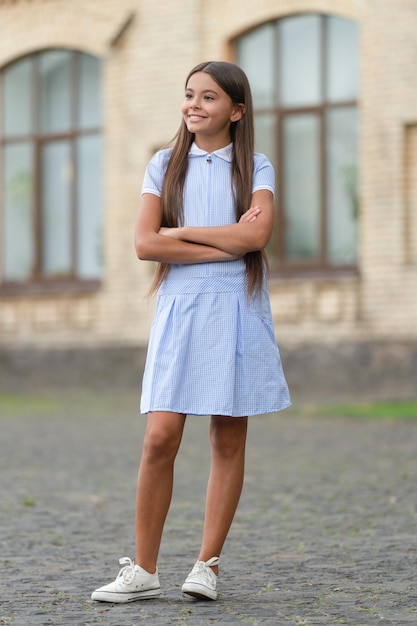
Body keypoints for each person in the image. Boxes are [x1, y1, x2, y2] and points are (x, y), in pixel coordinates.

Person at [91, 60, 291, 604]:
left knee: (227, 436)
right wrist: (226, 239)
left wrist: (182, 232)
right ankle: (145, 568)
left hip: (235, 309)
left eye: (208, 97)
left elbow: (258, 237)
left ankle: (207, 565)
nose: (194, 105)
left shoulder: (256, 166)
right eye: (189, 95)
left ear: (236, 110)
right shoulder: (163, 165)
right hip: (179, 310)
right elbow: (145, 244)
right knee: (160, 437)